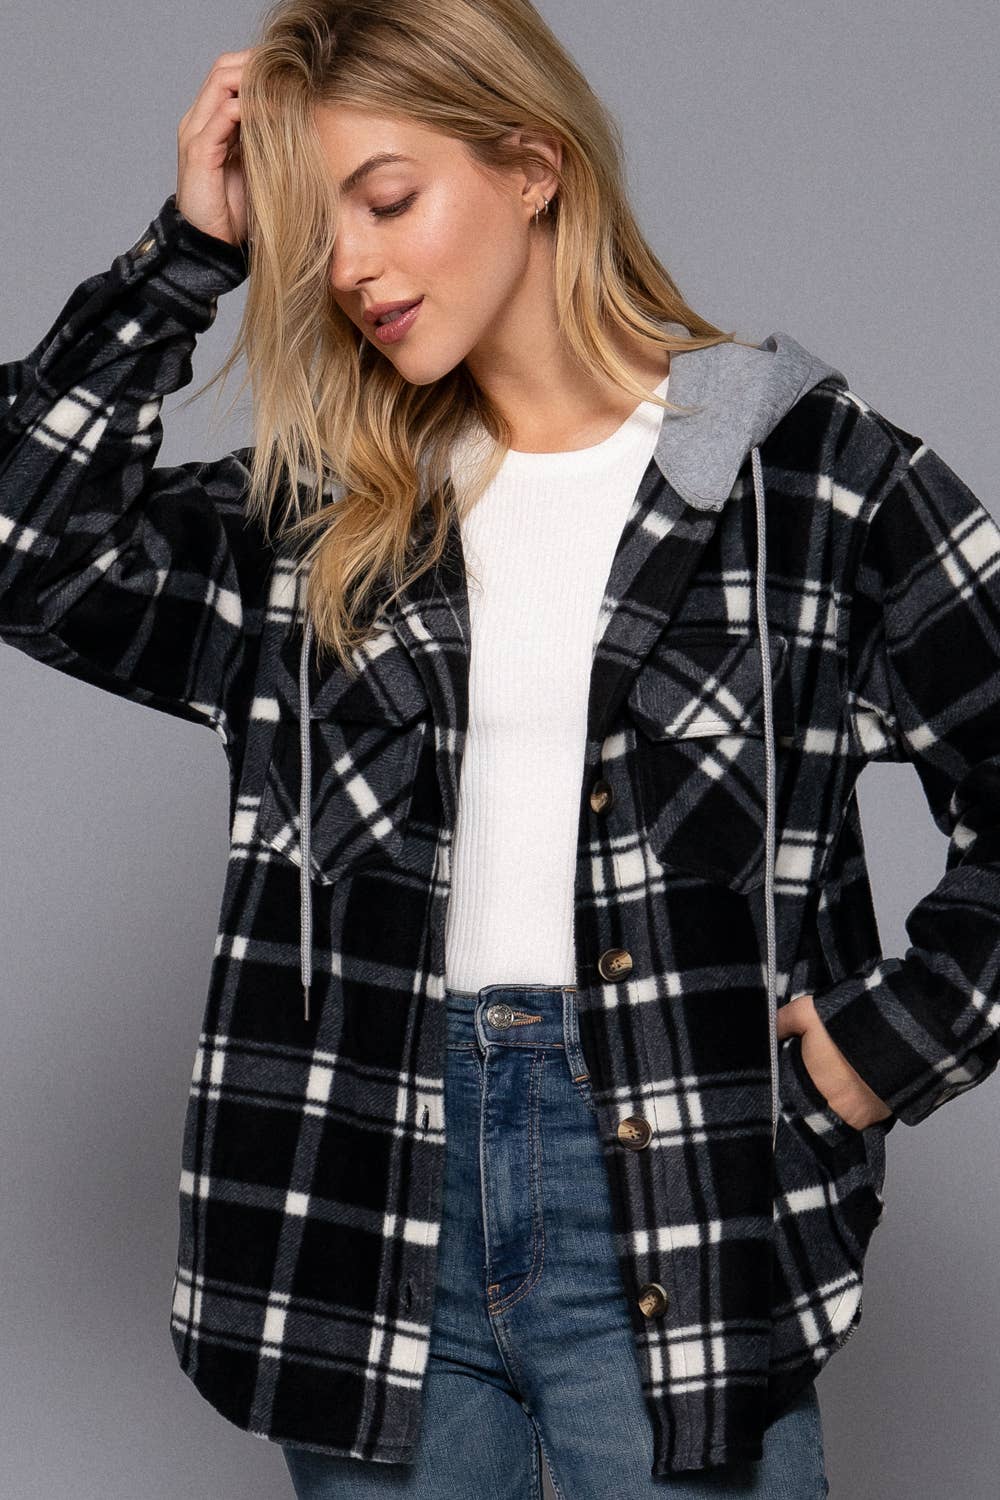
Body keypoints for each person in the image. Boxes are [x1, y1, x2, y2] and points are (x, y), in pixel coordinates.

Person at [3, 2, 998, 1496]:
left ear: (533, 166)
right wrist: (186, 254)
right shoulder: (324, 518)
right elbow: (25, 546)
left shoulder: (808, 485)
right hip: (364, 1199)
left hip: (677, 1191)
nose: (349, 266)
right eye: (314, 225)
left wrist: (891, 1047)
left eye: (388, 199)